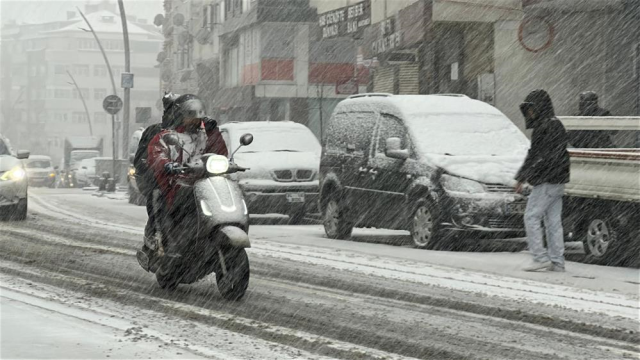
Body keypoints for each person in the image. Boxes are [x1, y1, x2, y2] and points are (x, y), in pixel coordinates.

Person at [515, 89, 571, 272]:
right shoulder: (557, 125)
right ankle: (557, 261)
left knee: (531, 216)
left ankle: (539, 257)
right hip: (558, 180)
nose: (529, 113)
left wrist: (524, 177)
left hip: (546, 180)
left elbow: (537, 156)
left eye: (531, 109)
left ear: (539, 107)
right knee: (553, 221)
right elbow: (557, 154)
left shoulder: (543, 128)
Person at [135, 92, 180, 268]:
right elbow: (140, 160)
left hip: (189, 183)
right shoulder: (155, 132)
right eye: (174, 110)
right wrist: (157, 168)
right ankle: (153, 243)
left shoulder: (198, 133)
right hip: (161, 183)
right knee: (157, 201)